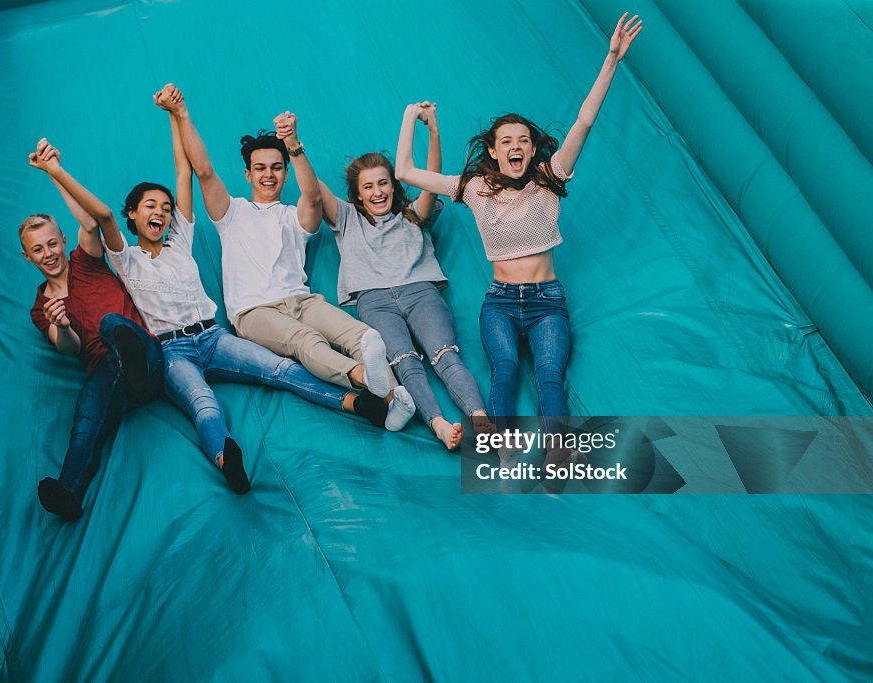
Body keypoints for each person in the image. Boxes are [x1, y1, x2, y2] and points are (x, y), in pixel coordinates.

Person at [37, 85, 402, 495]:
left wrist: (175, 114)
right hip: (172, 350)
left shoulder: (180, 241)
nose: (159, 211)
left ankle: (358, 403)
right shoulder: (124, 257)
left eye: (164, 207)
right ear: (133, 217)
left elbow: (185, 171)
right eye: (149, 207)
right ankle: (226, 457)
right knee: (202, 403)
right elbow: (101, 215)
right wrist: (55, 171)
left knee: (281, 370)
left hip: (212, 335)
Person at [395, 13, 643, 433]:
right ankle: (500, 448)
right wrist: (409, 117)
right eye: (506, 141)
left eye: (523, 141)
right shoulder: (473, 187)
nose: (515, 146)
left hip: (548, 301)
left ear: (532, 151)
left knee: (549, 374)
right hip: (500, 303)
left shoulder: (550, 178)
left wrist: (612, 59)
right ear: (492, 151)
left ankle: (557, 452)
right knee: (505, 371)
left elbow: (584, 121)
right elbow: (404, 170)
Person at [156, 86, 416, 431]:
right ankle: (364, 377)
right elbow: (203, 171)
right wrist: (182, 112)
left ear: (285, 172)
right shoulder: (230, 212)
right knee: (306, 341)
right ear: (247, 174)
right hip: (254, 311)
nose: (268, 175)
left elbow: (312, 196)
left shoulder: (294, 217)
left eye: (277, 168)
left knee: (363, 335)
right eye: (260, 168)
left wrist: (293, 144)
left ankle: (395, 399)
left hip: (301, 300)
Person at [314, 104, 491, 450]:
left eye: (384, 183)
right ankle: (439, 425)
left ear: (394, 187)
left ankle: (482, 422)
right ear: (357, 194)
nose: (378, 192)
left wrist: (434, 131)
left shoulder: (413, 213)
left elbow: (432, 180)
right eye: (369, 187)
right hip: (375, 301)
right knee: (404, 365)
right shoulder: (347, 217)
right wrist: (293, 146)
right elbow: (312, 188)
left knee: (446, 357)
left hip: (420, 292)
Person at [24, 139, 163, 521]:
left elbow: (91, 220)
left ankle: (135, 366)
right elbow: (68, 349)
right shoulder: (41, 307)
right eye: (39, 249)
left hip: (148, 359)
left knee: (112, 326)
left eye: (53, 243)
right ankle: (69, 493)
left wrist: (54, 171)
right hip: (110, 376)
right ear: (28, 257)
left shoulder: (86, 261)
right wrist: (63, 325)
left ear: (63, 242)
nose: (49, 253)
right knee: (86, 419)